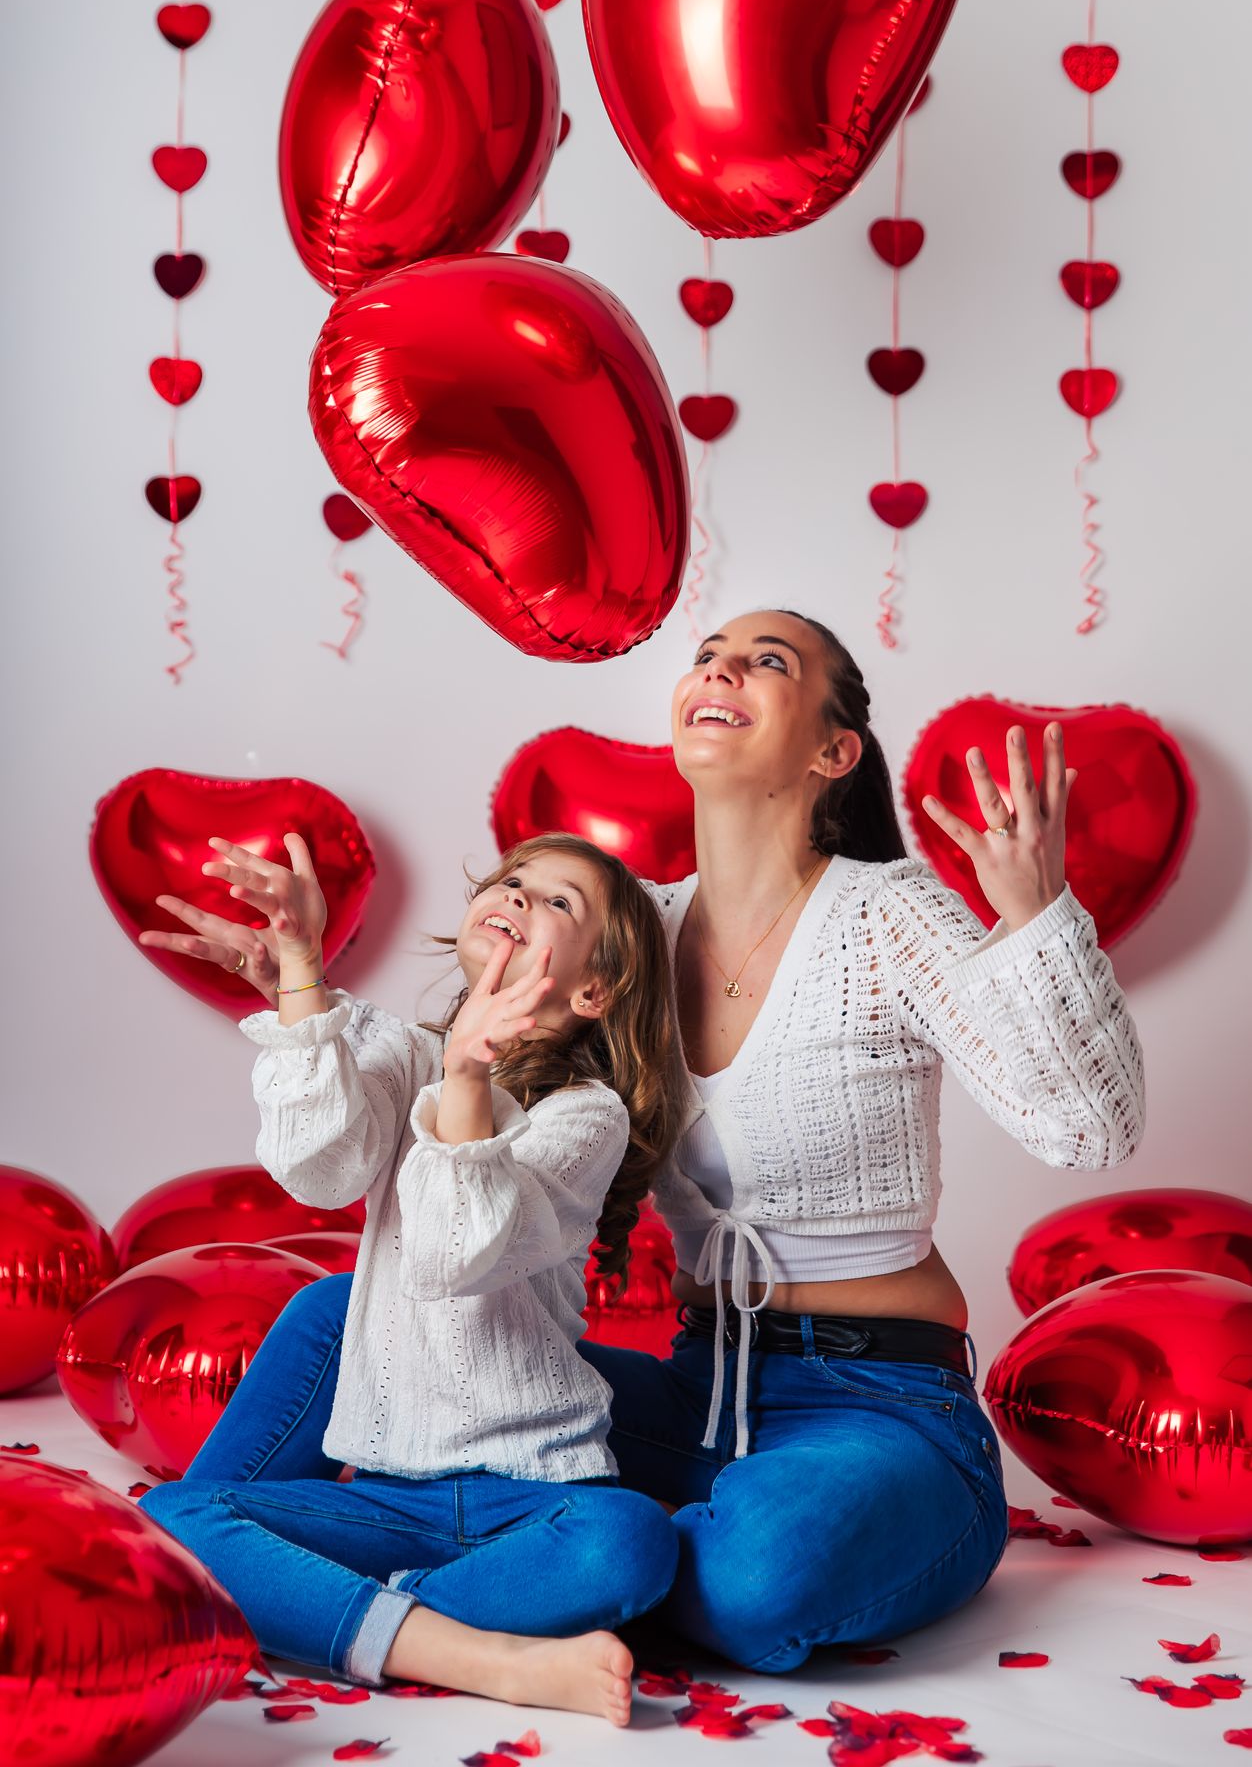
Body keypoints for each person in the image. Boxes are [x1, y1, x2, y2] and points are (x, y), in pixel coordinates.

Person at [140, 608, 1145, 1690]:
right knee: (346, 1315)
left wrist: (1033, 918)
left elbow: (1089, 1130)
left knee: (754, 1573)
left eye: (766, 662)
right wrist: (303, 989)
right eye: (707, 656)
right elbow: (454, 1069)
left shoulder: (885, 914)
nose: (720, 669)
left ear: (832, 751)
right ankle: (185, 1560)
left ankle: (298, 1589)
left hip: (876, 1405)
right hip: (690, 1395)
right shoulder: (628, 934)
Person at [140, 832, 690, 1726]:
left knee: (630, 1542)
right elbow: (318, 1170)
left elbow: (449, 1256)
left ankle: (331, 1609)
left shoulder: (586, 1118)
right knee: (175, 1517)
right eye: (513, 881)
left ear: (594, 990)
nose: (518, 896)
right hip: (389, 1500)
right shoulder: (404, 1056)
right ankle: (475, 1653)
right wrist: (300, 970)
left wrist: (469, 1075)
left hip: (537, 1497)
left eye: (559, 901)